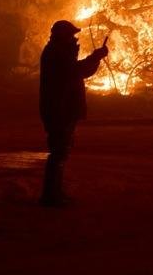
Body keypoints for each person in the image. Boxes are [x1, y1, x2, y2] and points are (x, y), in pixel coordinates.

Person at [38, 19, 109, 207]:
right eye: (70, 35)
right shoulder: (57, 53)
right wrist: (96, 57)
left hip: (62, 109)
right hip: (60, 110)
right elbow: (76, 71)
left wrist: (95, 57)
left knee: (61, 152)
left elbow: (77, 72)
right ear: (62, 36)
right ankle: (51, 197)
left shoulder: (58, 51)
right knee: (58, 152)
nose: (73, 38)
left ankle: (54, 194)